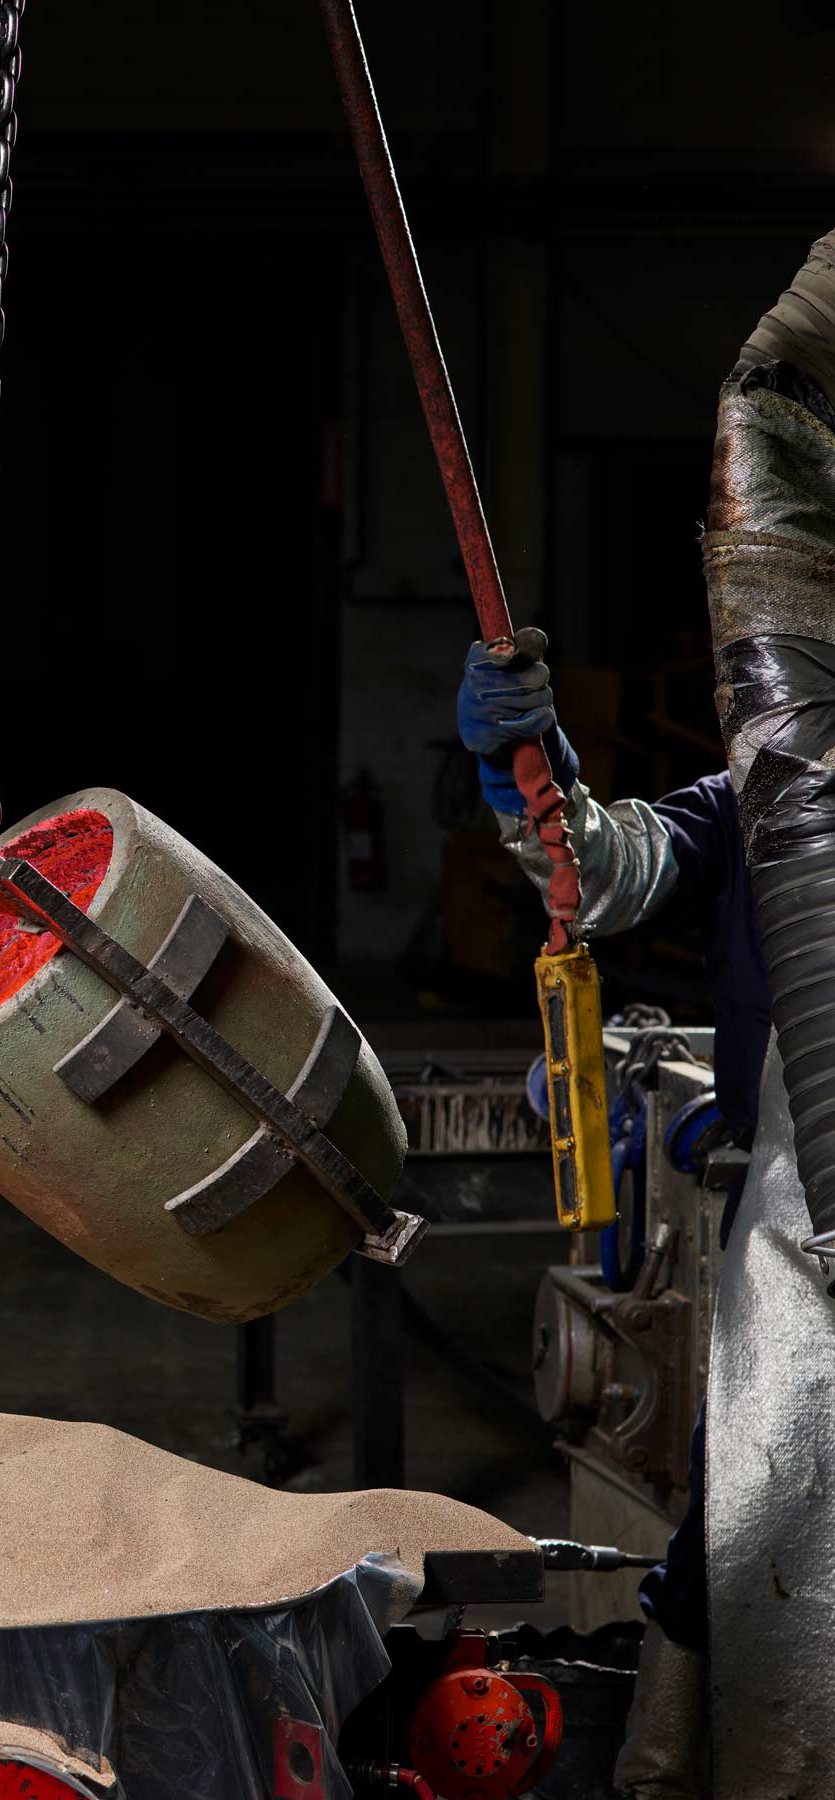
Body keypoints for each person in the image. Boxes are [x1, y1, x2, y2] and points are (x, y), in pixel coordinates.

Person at [457, 627, 763, 1798]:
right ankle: (663, 1768)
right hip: (790, 1247)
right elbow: (600, 870)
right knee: (734, 1532)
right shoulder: (754, 807)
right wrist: (530, 768)